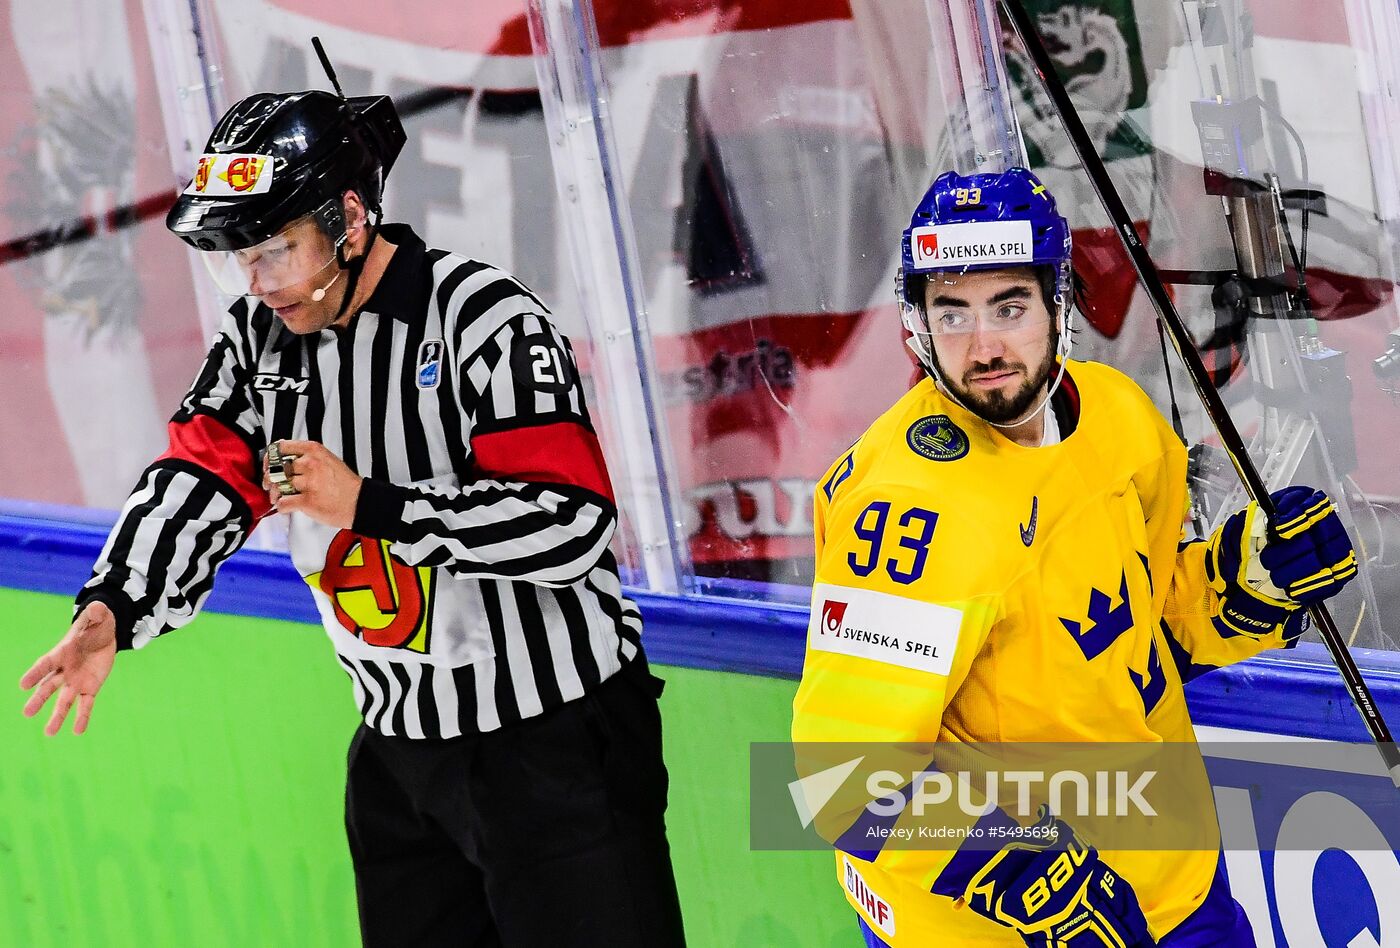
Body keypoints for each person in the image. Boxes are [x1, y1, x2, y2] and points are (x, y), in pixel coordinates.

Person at [18, 87, 686, 947]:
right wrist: (119, 602)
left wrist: (370, 504)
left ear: (351, 218)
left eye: (276, 253)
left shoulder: (486, 320)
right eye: (239, 261)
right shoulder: (261, 345)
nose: (258, 287)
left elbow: (572, 523)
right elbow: (198, 474)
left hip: (554, 748)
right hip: (400, 758)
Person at [790, 167, 1358, 946]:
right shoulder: (906, 510)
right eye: (951, 312)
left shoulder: (1119, 421)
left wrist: (1247, 581)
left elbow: (1139, 631)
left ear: (1059, 306)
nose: (983, 346)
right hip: (994, 930)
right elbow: (846, 778)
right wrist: (1018, 871)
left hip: (1172, 885)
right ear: (916, 325)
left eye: (1009, 307)